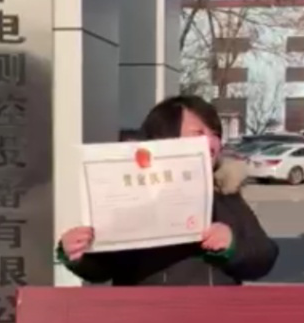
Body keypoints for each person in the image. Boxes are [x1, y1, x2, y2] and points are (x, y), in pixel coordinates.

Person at [57, 95, 278, 286]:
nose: (211, 143)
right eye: (199, 132)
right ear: (164, 138)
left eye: (216, 134)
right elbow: (103, 269)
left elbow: (264, 256)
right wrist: (77, 252)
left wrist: (232, 245)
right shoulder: (127, 193)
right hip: (144, 318)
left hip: (212, 318)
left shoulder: (225, 193)